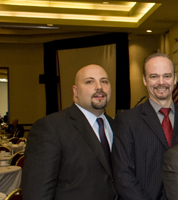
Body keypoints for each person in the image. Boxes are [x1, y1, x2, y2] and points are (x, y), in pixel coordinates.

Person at [22, 64, 117, 199]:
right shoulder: (51, 127)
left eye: (104, 81)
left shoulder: (117, 126)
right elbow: (37, 193)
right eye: (90, 81)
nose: (99, 87)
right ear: (75, 91)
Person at [112, 53, 178, 200]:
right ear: (144, 80)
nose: (161, 82)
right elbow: (123, 175)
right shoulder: (127, 121)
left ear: (175, 79)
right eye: (154, 76)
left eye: (166, 76)